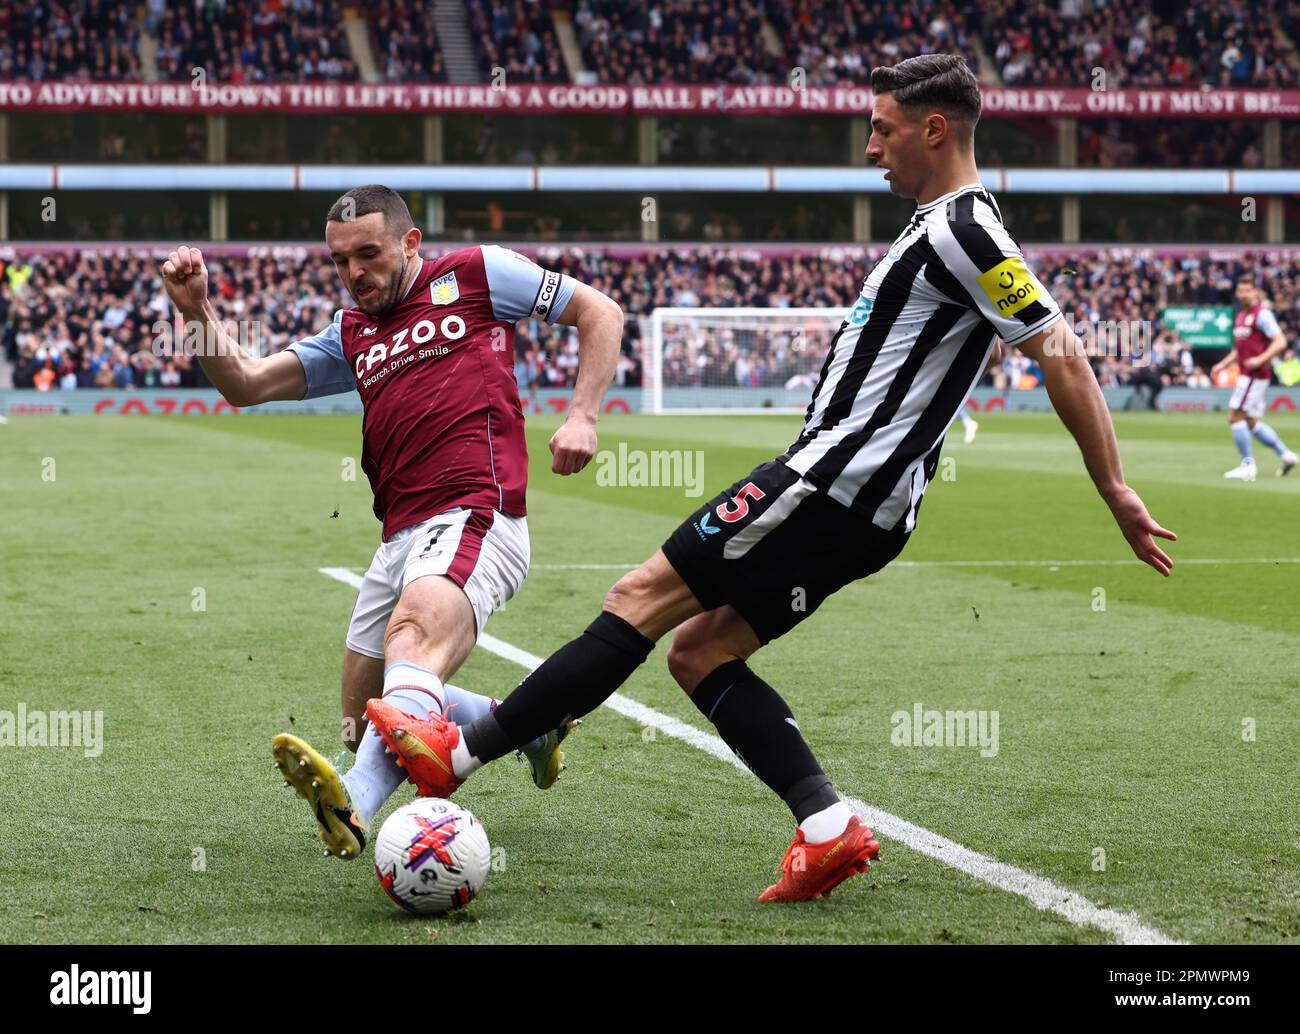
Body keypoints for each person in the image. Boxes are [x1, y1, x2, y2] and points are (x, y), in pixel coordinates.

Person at [365, 56, 1176, 902]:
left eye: (884, 129)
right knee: (701, 650)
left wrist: (1115, 487)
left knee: (637, 598)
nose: (871, 147)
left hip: (832, 479)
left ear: (936, 130)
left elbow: (1059, 350)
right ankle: (828, 831)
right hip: (866, 504)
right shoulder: (944, 223)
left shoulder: (964, 231)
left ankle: (455, 756)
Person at [159, 184, 624, 859]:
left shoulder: (475, 274)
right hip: (400, 534)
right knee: (363, 716)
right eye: (341, 260)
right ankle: (524, 726)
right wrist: (196, 307)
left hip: (476, 509)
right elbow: (247, 384)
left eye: (368, 254)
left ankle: (354, 807)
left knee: (411, 638)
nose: (354, 272)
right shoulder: (349, 335)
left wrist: (582, 414)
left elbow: (598, 310)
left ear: (410, 243)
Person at [1213, 275, 1297, 480]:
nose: (1244, 294)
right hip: (1249, 374)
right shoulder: (1242, 315)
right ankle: (1286, 455)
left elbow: (1280, 342)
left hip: (1254, 375)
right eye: (1240, 291)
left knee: (1235, 416)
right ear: (1237, 293)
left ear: (1255, 292)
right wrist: (1223, 364)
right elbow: (1240, 349)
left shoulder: (1262, 315)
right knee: (1250, 421)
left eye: (1247, 290)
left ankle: (1247, 466)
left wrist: (1260, 359)